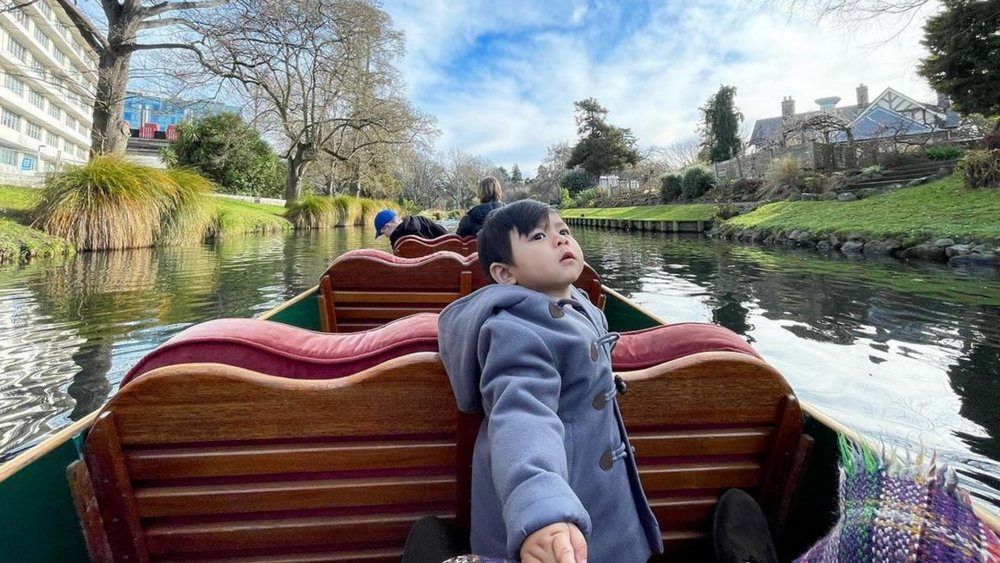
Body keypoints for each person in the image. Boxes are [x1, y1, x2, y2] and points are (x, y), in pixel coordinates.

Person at [437, 200, 663, 563]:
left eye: (563, 231)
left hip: (599, 499)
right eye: (539, 236)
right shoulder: (514, 331)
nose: (560, 240)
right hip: (552, 512)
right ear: (504, 273)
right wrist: (540, 507)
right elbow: (522, 417)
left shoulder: (583, 306)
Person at [374, 209, 447, 247]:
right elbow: (446, 236)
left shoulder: (397, 242)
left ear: (388, 226)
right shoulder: (422, 220)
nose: (386, 236)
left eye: (383, 233)